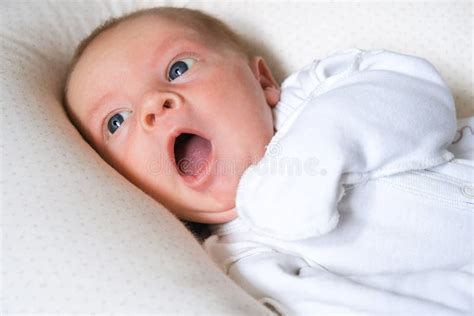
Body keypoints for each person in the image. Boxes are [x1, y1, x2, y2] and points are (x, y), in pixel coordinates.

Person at [63, 7, 473, 315]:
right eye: (116, 121)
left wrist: (305, 161)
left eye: (178, 68)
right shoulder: (245, 263)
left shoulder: (318, 93)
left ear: (261, 81)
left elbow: (418, 92)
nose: (154, 104)